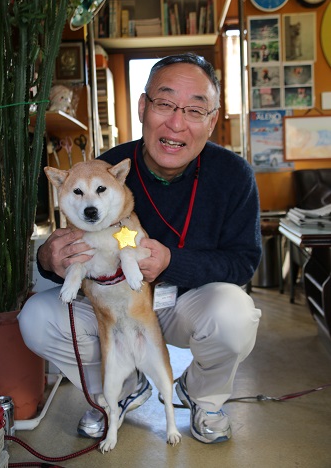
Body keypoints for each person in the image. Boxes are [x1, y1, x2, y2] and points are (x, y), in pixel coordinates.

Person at [19, 53, 262, 444]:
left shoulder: (234, 176)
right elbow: (73, 241)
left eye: (195, 109)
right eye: (164, 103)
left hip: (186, 304)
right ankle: (122, 388)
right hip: (113, 301)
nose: (176, 123)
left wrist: (171, 261)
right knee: (36, 317)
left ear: (212, 120)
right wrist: (48, 258)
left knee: (235, 313)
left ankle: (202, 395)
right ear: (143, 107)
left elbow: (243, 262)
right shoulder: (105, 170)